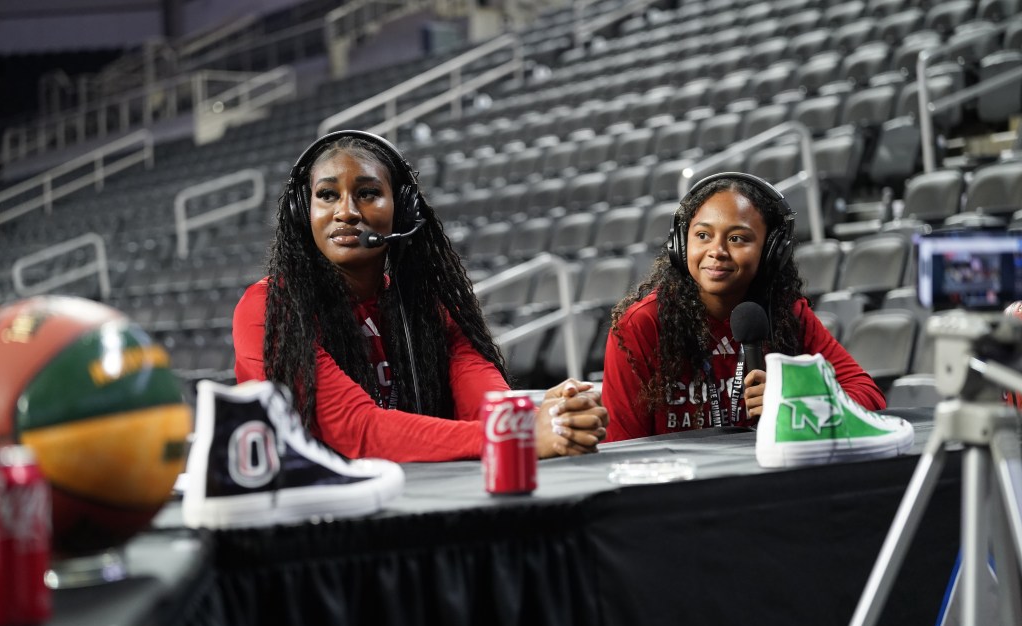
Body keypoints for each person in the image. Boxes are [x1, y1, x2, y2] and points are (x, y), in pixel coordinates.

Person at [233, 130, 608, 462]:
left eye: (368, 193)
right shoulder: (270, 308)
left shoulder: (428, 307)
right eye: (327, 195)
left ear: (403, 210)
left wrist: (547, 414)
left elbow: (482, 396)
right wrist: (517, 436)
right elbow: (356, 430)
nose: (346, 211)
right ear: (304, 211)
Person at [601, 172, 884, 441]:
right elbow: (623, 447)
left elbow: (869, 397)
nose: (717, 251)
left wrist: (801, 398)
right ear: (681, 244)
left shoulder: (787, 314)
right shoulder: (641, 324)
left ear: (772, 251)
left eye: (737, 238)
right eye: (702, 235)